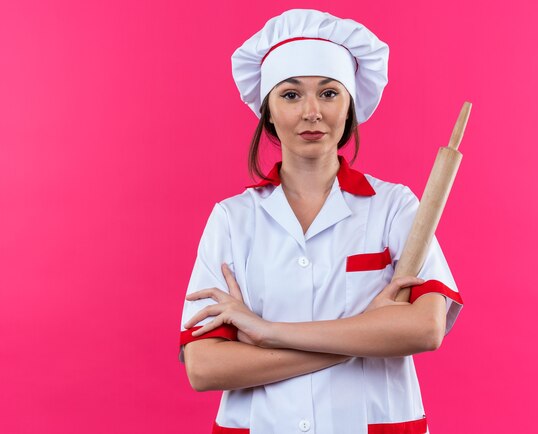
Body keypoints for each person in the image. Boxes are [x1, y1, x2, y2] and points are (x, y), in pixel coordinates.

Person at [178, 9, 463, 434]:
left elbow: (425, 327)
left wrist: (266, 331)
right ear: (268, 111)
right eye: (291, 95)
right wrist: (362, 337)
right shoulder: (233, 220)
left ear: (349, 105)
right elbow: (204, 366)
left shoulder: (393, 206)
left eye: (329, 93)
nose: (312, 112)